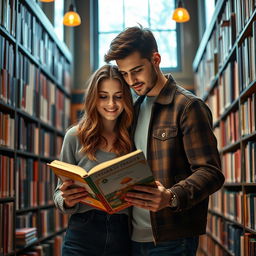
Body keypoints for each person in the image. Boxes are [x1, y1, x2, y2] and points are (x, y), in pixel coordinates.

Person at [104, 26, 225, 256]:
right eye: (124, 74)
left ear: (156, 59)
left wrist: (170, 197)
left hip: (172, 239)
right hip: (131, 236)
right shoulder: (133, 109)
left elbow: (211, 172)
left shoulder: (188, 106)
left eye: (137, 70)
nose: (131, 81)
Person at [53, 64, 134, 256]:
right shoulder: (74, 136)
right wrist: (67, 201)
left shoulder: (134, 136)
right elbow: (58, 193)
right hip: (82, 233)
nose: (111, 104)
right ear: (93, 99)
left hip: (123, 232)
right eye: (103, 96)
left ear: (127, 99)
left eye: (119, 96)